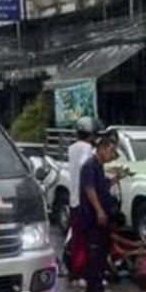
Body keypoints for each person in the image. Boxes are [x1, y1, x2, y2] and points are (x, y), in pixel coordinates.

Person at [79, 132, 119, 292]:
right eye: (110, 151)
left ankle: (98, 283)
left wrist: (114, 180)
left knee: (102, 250)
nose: (112, 155)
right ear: (101, 149)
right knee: (95, 251)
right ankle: (93, 286)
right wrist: (99, 210)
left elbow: (101, 186)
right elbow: (90, 190)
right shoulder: (90, 165)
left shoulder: (99, 167)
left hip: (101, 216)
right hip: (92, 216)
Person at [65, 117, 96, 282]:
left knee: (77, 238)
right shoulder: (87, 149)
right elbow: (86, 169)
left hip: (74, 199)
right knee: (86, 239)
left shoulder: (72, 148)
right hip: (84, 201)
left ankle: (75, 270)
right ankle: (81, 270)